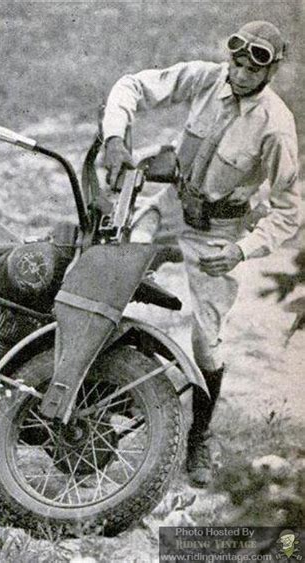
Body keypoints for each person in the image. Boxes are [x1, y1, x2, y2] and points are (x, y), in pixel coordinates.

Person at [102, 21, 301, 487]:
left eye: (255, 66)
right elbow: (133, 86)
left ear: (269, 73)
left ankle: (198, 436)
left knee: (206, 341)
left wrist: (242, 250)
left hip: (220, 231)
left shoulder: (275, 125)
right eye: (236, 59)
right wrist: (115, 137)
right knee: (111, 265)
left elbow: (290, 211)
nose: (240, 71)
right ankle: (106, 391)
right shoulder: (205, 77)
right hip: (173, 206)